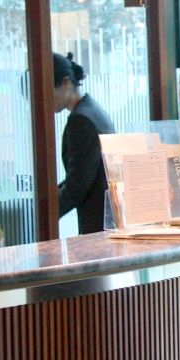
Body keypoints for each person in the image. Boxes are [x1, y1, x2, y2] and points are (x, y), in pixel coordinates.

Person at [54, 52, 115, 234]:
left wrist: (41, 213)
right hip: (104, 222)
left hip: (98, 227)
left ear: (66, 84)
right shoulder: (93, 110)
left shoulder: (81, 120)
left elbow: (77, 185)